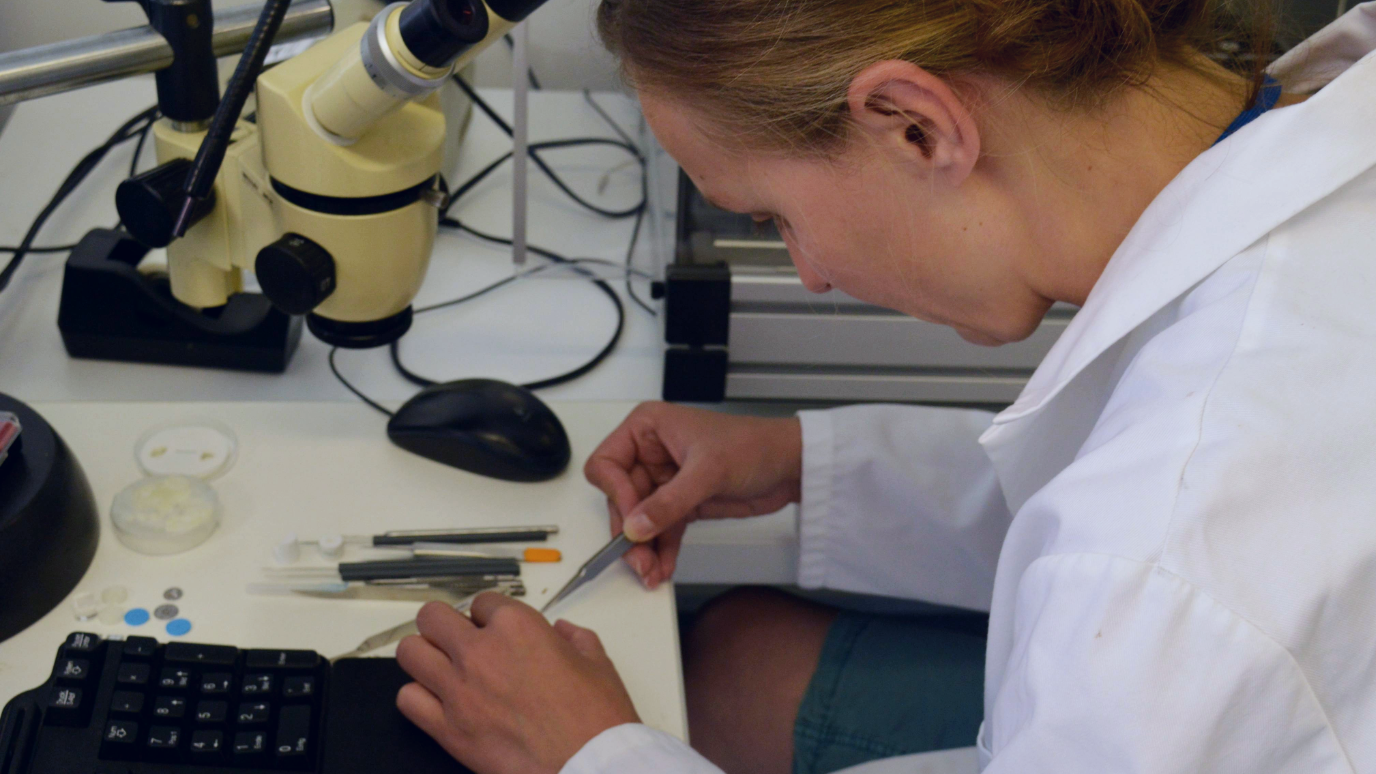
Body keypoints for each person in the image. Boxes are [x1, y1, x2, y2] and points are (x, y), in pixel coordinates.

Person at [392, 0, 1376, 772]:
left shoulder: (1173, 569)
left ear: (914, 125)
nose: (809, 272)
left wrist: (588, 758)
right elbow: (1126, 473)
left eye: (772, 214)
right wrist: (798, 464)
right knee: (736, 656)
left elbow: (1154, 553)